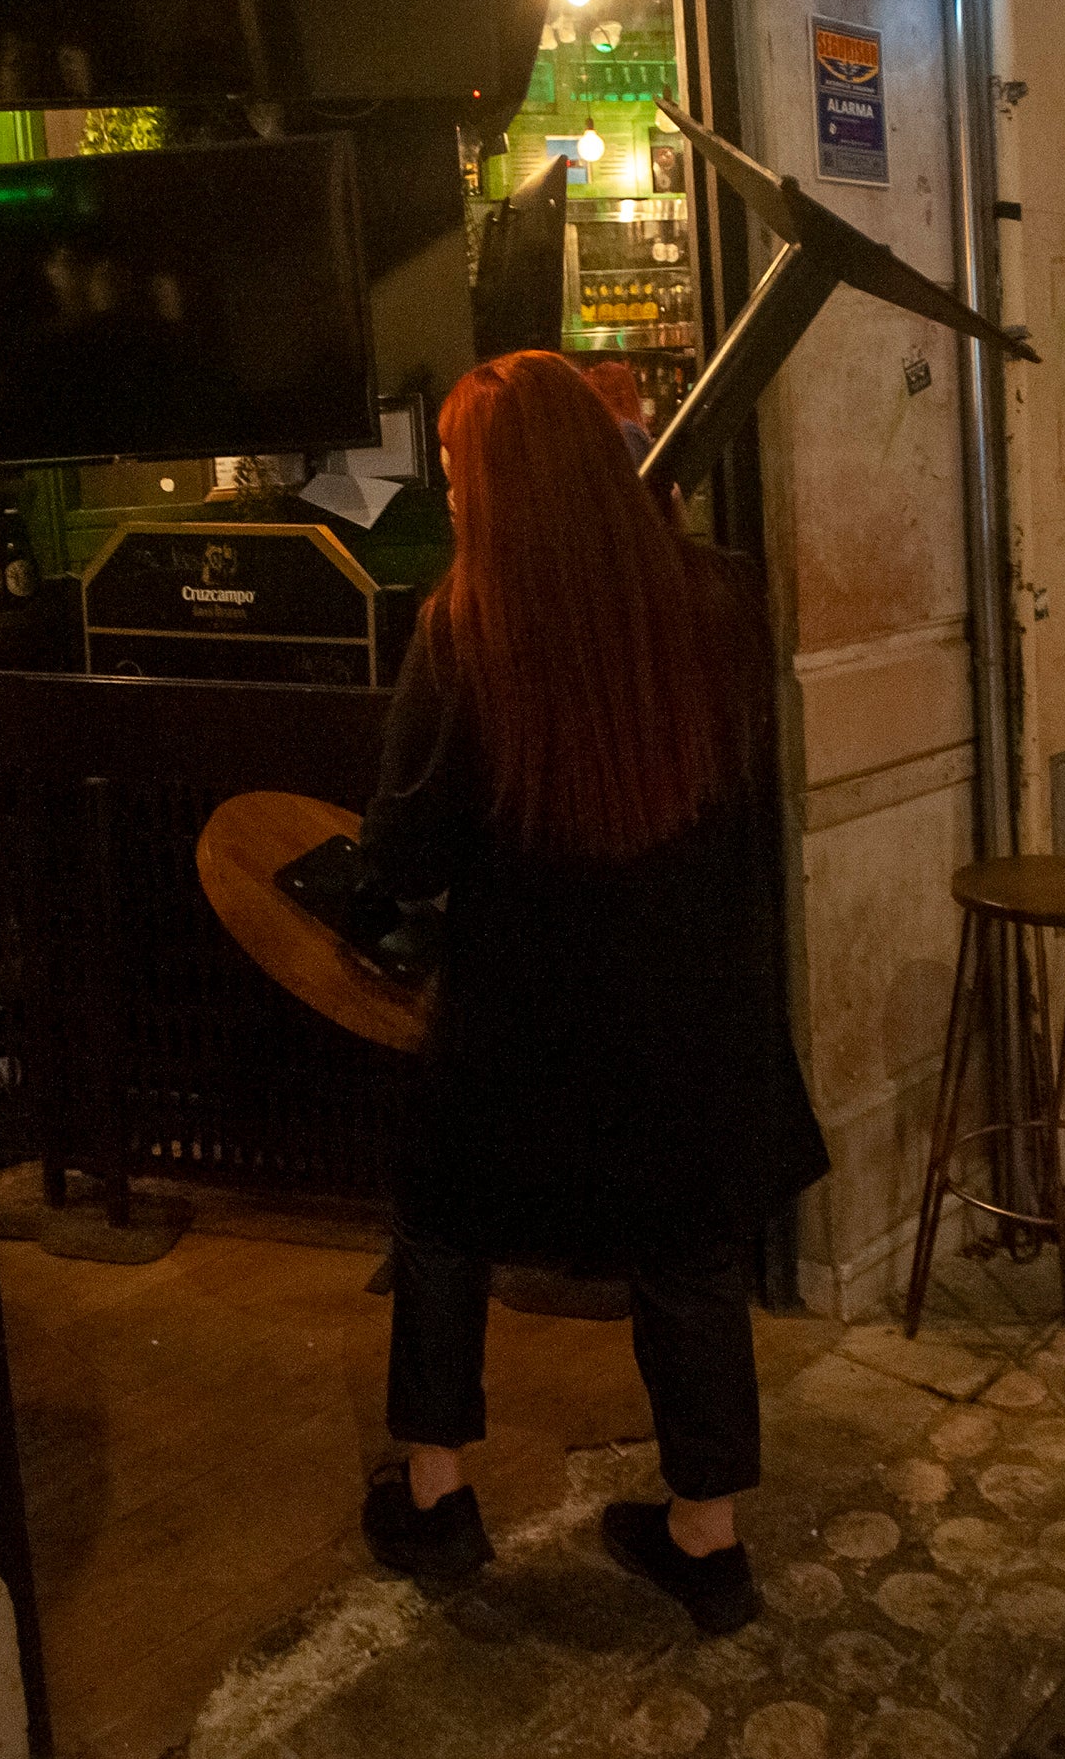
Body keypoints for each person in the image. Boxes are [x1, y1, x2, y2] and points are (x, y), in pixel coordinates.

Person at [353, 351, 827, 1634]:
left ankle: (440, 1497)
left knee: (443, 1227)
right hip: (694, 1009)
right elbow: (749, 807)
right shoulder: (723, 598)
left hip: (525, 1026)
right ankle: (706, 1540)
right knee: (690, 1255)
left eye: (458, 472)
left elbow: (404, 852)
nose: (452, 494)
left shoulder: (464, 630)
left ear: (498, 488)